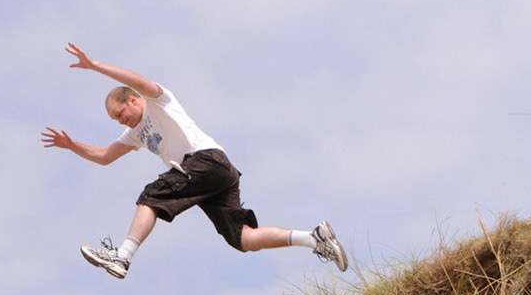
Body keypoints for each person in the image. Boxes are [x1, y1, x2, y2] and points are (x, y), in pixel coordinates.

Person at [40, 43, 348, 278]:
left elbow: (137, 79)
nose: (121, 121)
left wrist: (94, 66)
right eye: (115, 119)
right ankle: (314, 239)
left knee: (151, 197)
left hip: (206, 162)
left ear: (133, 100)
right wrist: (71, 146)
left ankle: (122, 256)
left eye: (121, 113)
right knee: (243, 239)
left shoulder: (158, 101)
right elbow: (105, 156)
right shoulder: (135, 134)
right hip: (216, 177)